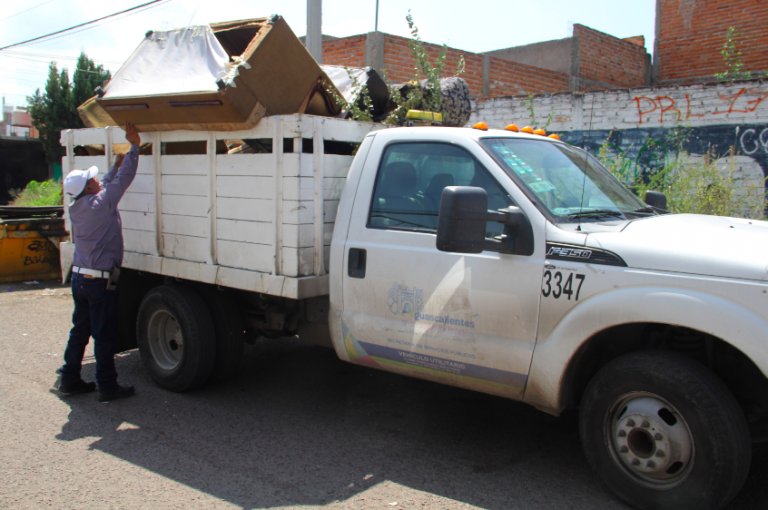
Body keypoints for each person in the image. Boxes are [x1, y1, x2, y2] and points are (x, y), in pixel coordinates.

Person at [57, 123, 141, 402]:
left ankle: (69, 379)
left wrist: (113, 166)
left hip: (80, 279)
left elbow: (104, 184)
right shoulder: (102, 203)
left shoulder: (78, 207)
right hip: (98, 282)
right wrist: (134, 146)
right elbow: (122, 181)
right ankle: (107, 386)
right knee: (104, 336)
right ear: (88, 187)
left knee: (80, 330)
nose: (97, 180)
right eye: (92, 179)